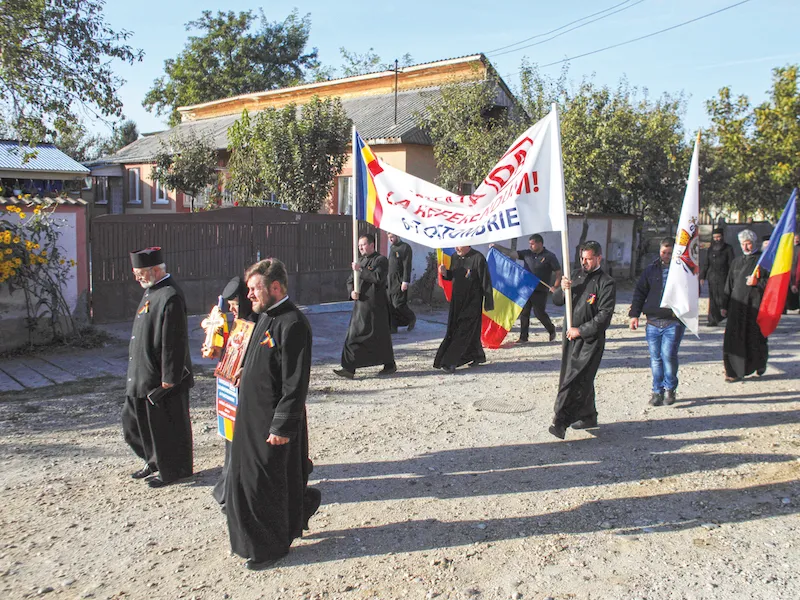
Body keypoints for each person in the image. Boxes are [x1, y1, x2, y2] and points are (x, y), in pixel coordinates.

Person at [225, 258, 321, 571]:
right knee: (247, 479)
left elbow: (295, 383)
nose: (249, 295)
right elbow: (260, 357)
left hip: (272, 421)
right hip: (250, 415)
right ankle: (278, 524)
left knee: (264, 484)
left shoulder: (292, 323)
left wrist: (281, 426)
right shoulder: (264, 316)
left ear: (275, 287)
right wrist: (243, 370)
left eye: (255, 289)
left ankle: (271, 546)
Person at [122, 247, 193, 488]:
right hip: (142, 374)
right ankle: (152, 461)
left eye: (140, 272)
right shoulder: (153, 291)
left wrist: (170, 377)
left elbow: (173, 340)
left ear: (154, 270)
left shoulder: (170, 295)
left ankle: (173, 470)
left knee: (167, 427)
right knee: (134, 423)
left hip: (162, 377)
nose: (137, 277)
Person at [549, 241, 616, 439]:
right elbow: (557, 301)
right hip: (570, 336)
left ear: (598, 258)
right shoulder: (576, 276)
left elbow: (604, 316)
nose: (584, 262)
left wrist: (582, 330)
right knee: (577, 376)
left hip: (589, 339)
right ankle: (588, 415)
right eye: (582, 258)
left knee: (575, 379)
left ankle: (560, 421)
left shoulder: (606, 282)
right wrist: (562, 288)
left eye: (588, 258)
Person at [207, 276, 254, 509]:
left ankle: (238, 492)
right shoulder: (237, 322)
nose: (233, 310)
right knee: (231, 444)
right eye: (231, 306)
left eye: (236, 305)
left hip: (248, 395)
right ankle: (228, 487)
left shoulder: (257, 322)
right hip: (230, 393)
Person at [629, 238, 686, 407]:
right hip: (653, 321)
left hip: (673, 321)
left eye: (670, 253)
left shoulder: (683, 271)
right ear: (659, 251)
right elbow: (640, 292)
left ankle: (670, 388)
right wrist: (634, 315)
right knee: (656, 359)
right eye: (664, 252)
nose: (666, 256)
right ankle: (657, 391)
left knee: (668, 355)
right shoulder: (650, 270)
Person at [334, 233, 397, 379]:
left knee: (381, 336)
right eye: (359, 246)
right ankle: (349, 368)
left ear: (371, 245)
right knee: (353, 335)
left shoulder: (381, 260)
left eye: (363, 245)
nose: (360, 248)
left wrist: (361, 271)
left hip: (376, 306)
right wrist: (352, 292)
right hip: (361, 306)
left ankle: (389, 364)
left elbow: (378, 278)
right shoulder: (360, 261)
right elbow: (350, 280)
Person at [433, 246, 493, 373]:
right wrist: (445, 273)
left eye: (459, 244)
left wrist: (488, 302)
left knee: (463, 330)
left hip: (472, 301)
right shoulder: (455, 257)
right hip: (457, 300)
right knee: (463, 329)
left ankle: (450, 361)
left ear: (467, 244)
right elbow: (454, 275)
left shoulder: (478, 258)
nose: (456, 247)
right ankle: (477, 355)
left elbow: (485, 281)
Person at [491, 234, 561, 342]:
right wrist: (498, 247)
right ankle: (523, 337)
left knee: (539, 313)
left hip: (540, 290)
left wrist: (555, 286)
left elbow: (558, 272)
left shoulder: (549, 256)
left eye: (532, 244)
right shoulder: (527, 254)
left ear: (540, 243)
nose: (530, 246)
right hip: (526, 288)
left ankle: (551, 329)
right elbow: (511, 253)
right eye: (529, 244)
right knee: (524, 313)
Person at [722, 229, 768, 382]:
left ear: (754, 243)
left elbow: (771, 284)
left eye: (748, 244)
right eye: (743, 244)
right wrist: (724, 304)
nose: (745, 247)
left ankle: (756, 365)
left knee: (753, 338)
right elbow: (729, 284)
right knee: (732, 338)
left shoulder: (762, 261)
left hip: (754, 307)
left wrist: (758, 283)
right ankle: (732, 371)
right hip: (736, 306)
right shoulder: (736, 261)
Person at [700, 228, 735, 326]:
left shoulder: (728, 248)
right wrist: (702, 276)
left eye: (718, 237)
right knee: (713, 299)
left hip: (724, 277)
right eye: (715, 237)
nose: (717, 239)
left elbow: (731, 263)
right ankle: (713, 320)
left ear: (722, 237)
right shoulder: (710, 249)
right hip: (712, 278)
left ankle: (726, 317)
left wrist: (732, 277)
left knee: (724, 297)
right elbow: (706, 263)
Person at [387, 233, 417, 333]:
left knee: (398, 304)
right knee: (390, 305)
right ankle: (393, 327)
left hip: (399, 281)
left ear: (397, 236)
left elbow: (407, 265)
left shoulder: (405, 247)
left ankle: (411, 318)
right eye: (389, 237)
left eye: (392, 237)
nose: (390, 239)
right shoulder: (392, 248)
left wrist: (405, 281)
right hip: (390, 281)